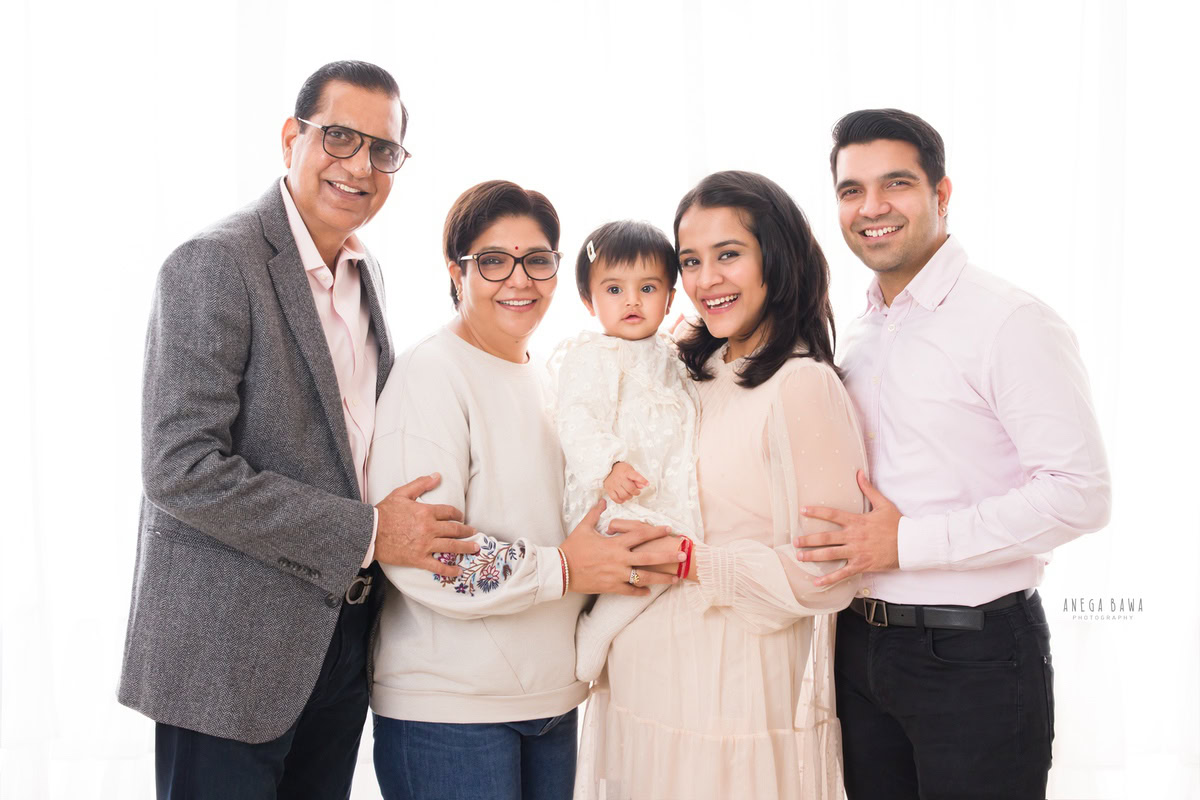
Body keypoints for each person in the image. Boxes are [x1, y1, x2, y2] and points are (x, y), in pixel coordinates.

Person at [118, 61, 479, 799]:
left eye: (384, 151)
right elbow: (180, 467)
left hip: (340, 645)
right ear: (292, 138)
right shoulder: (214, 262)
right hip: (228, 656)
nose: (360, 166)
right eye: (340, 137)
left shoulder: (366, 271)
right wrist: (372, 534)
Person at [795, 108, 1112, 799]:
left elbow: (1079, 491)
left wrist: (907, 544)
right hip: (858, 647)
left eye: (896, 185)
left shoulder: (1010, 320)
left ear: (941, 195)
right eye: (852, 190)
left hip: (975, 655)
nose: (871, 208)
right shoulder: (859, 333)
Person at [364, 181, 683, 800]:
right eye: (492, 260)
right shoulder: (432, 375)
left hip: (552, 698)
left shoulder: (550, 377)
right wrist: (564, 569)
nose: (519, 279)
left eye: (538, 260)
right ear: (456, 273)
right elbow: (431, 560)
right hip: (450, 711)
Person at [575, 171, 865, 800]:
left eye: (728, 254)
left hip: (731, 693)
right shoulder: (689, 369)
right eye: (691, 261)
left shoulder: (802, 386)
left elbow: (830, 571)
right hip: (643, 677)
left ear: (776, 259)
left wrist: (690, 561)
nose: (706, 280)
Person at [554, 220, 704, 683]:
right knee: (659, 554)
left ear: (670, 299)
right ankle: (597, 630)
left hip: (663, 491)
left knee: (679, 557)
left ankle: (620, 633)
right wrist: (608, 465)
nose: (632, 300)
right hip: (615, 495)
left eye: (648, 287)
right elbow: (574, 418)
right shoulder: (592, 355)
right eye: (614, 288)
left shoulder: (671, 353)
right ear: (588, 300)